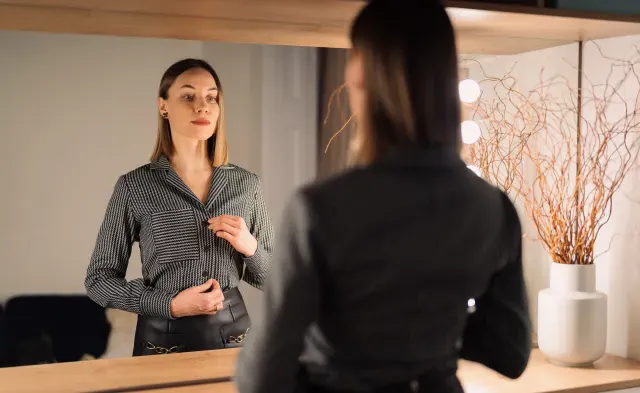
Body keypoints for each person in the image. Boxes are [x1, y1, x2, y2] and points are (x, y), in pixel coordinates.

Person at [234, 0, 531, 392]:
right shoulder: (495, 209)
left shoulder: (319, 210)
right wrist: (434, 326)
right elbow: (510, 351)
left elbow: (260, 380)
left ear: (359, 73)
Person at [85, 58, 274, 356]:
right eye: (188, 96)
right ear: (163, 106)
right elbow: (99, 281)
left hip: (235, 340)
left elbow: (278, 280)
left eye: (211, 97)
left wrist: (249, 246)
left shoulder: (246, 184)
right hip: (160, 341)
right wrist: (170, 304)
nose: (202, 107)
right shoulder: (134, 186)